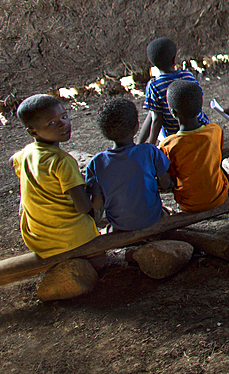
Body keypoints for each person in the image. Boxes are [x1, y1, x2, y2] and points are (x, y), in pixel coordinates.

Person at [10, 94, 99, 258]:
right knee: (98, 190)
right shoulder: (62, 161)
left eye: (64, 116)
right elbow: (84, 208)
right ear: (32, 131)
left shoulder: (27, 153)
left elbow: (12, 160)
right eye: (52, 122)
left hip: (38, 240)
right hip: (72, 239)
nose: (63, 124)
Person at [85, 97, 171, 231]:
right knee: (165, 213)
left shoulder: (97, 163)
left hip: (121, 226)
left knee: (110, 228)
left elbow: (97, 204)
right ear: (136, 127)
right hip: (152, 220)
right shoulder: (149, 151)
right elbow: (165, 183)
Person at [160, 80, 229, 213]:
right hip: (219, 197)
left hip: (189, 205)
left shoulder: (169, 145)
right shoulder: (215, 131)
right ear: (200, 107)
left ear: (173, 113)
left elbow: (170, 179)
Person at [138, 37, 209, 144]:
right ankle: (140, 144)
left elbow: (157, 120)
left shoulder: (154, 85)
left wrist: (151, 146)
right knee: (153, 110)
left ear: (153, 64)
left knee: (154, 111)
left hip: (175, 134)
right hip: (201, 126)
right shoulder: (188, 76)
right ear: (174, 59)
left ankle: (139, 144)